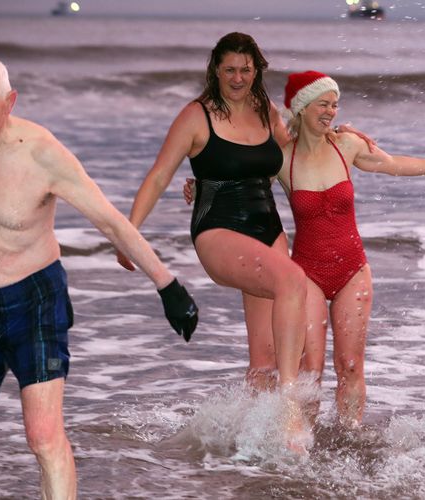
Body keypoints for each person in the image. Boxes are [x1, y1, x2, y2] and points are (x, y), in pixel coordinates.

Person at [0, 54, 198, 499]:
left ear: (10, 101)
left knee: (42, 435)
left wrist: (168, 285)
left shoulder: (42, 153)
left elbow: (111, 221)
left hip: (34, 299)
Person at [116, 32, 316, 447]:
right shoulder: (196, 116)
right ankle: (290, 408)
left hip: (269, 228)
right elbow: (158, 176)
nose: (239, 78)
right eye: (230, 70)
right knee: (292, 281)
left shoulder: (267, 112)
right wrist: (127, 233)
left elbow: (298, 154)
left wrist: (331, 129)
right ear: (216, 70)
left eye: (246, 69)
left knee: (264, 358)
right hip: (219, 227)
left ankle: (255, 443)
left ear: (257, 70)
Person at [274, 71, 425, 427]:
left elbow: (391, 163)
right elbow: (238, 182)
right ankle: (302, 443)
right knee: (310, 367)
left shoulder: (346, 145)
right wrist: (203, 187)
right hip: (307, 272)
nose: (331, 112)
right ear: (301, 108)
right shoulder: (280, 158)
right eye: (323, 104)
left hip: (352, 269)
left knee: (349, 364)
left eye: (335, 105)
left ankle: (350, 436)